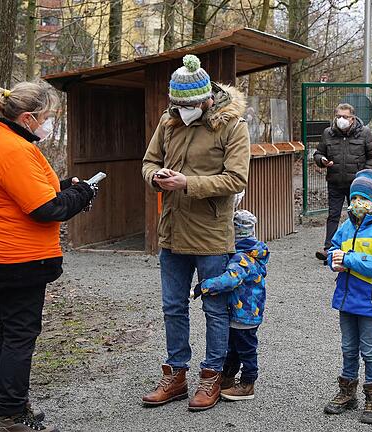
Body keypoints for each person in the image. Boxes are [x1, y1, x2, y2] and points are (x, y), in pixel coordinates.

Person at [0, 82, 95, 432]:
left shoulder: (0, 138)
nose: (49, 123)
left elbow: (27, 190)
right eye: (46, 117)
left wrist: (64, 185)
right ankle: (13, 414)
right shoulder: (12, 148)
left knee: (10, 332)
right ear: (28, 118)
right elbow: (45, 208)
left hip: (5, 254)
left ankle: (1, 403)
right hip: (16, 258)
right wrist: (81, 193)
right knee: (19, 336)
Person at [141, 54, 250, 411]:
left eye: (189, 105)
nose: (182, 110)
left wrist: (188, 183)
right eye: (177, 104)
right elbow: (148, 161)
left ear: (207, 98)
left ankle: (212, 376)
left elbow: (237, 179)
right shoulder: (168, 121)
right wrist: (155, 177)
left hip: (211, 233)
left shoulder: (232, 126)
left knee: (215, 309)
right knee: (173, 307)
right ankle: (175, 375)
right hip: (171, 230)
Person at [323, 169, 372, 425]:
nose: (358, 203)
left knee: (369, 348)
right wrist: (333, 261)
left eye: (364, 198)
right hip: (347, 298)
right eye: (354, 197)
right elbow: (334, 248)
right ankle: (347, 390)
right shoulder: (346, 227)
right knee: (348, 347)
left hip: (371, 300)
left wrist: (349, 259)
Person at [194, 209, 268, 400]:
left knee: (245, 350)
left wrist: (204, 286)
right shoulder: (253, 253)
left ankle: (247, 383)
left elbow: (230, 280)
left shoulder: (241, 258)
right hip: (246, 311)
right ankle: (227, 378)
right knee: (233, 348)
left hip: (244, 313)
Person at [313, 103, 372, 260]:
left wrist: (363, 176)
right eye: (338, 116)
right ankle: (329, 249)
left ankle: (359, 247)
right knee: (333, 215)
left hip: (357, 185)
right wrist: (322, 160)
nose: (341, 119)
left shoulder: (364, 133)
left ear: (353, 118)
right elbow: (318, 153)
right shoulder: (328, 133)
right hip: (335, 181)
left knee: (358, 214)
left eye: (345, 116)